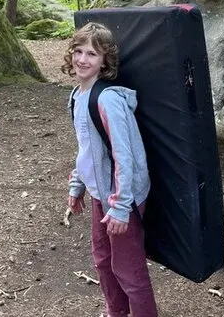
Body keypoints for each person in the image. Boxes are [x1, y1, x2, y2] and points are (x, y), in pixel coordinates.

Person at [62, 22, 159, 317]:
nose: (82, 59)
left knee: (129, 269)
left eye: (91, 54)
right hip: (100, 194)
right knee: (103, 260)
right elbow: (88, 149)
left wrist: (120, 207)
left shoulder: (108, 99)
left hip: (121, 196)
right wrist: (77, 186)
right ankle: (116, 312)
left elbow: (124, 155)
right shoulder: (78, 96)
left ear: (105, 60)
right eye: (78, 51)